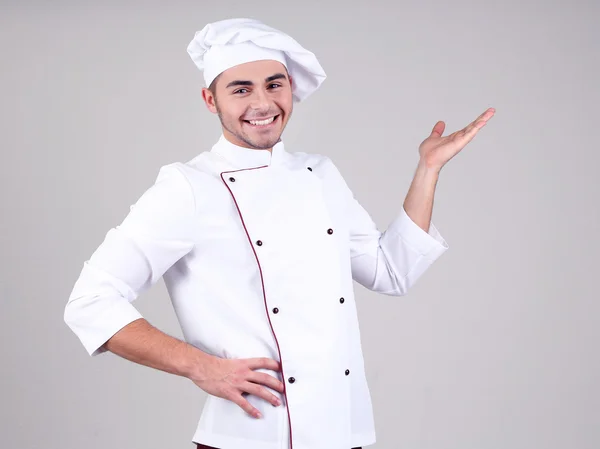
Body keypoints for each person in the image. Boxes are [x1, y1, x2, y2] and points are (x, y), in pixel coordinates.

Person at [64, 17, 495, 449]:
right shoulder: (188, 187)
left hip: (343, 433)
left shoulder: (320, 173)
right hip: (247, 438)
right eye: (240, 89)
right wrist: (201, 366)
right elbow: (91, 302)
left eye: (274, 85)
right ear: (209, 100)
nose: (262, 102)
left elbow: (391, 272)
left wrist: (429, 169)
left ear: (291, 90)